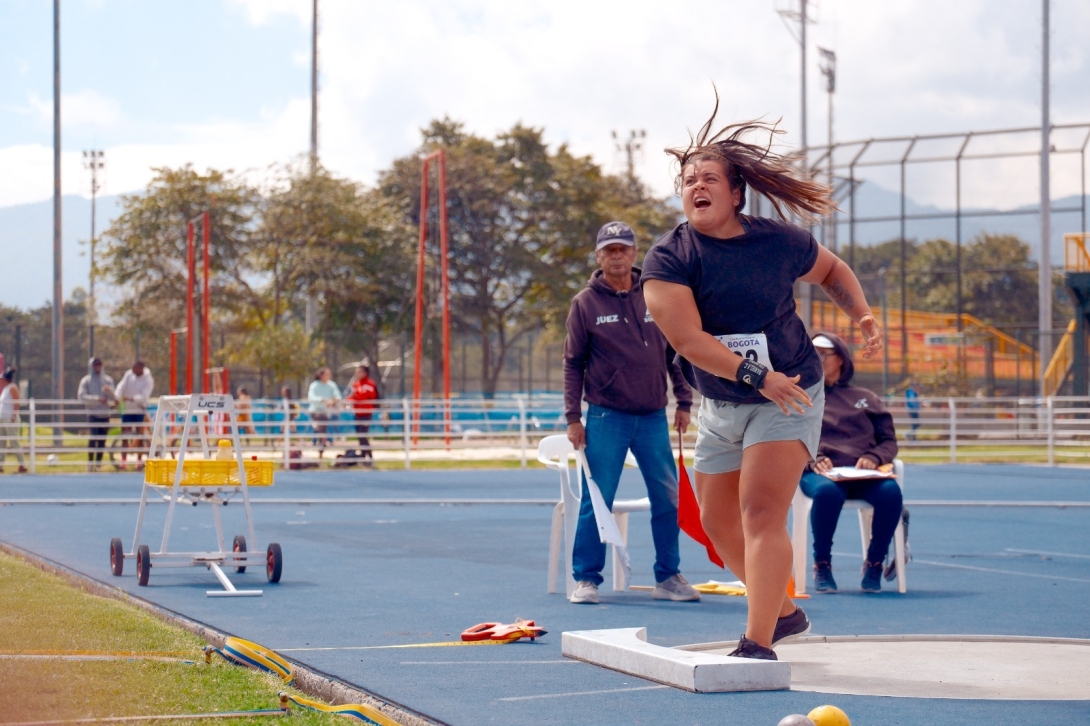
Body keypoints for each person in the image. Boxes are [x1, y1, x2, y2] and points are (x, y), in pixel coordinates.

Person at [641, 104, 882, 660]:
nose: (695, 187)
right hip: (724, 401)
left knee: (760, 512)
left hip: (791, 392)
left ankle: (757, 641)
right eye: (688, 181)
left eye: (708, 180)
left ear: (734, 194)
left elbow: (832, 271)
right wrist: (756, 375)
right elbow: (689, 342)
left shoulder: (778, 241)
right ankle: (785, 613)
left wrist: (862, 313)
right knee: (717, 522)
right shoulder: (669, 259)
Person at [564, 220, 699, 605]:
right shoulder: (585, 304)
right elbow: (573, 363)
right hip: (607, 418)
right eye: (609, 250)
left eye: (623, 248)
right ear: (598, 256)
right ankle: (586, 578)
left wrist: (684, 401)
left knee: (667, 498)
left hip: (654, 417)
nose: (617, 255)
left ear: (634, 253)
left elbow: (676, 351)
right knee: (598, 498)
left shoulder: (656, 295)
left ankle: (668, 576)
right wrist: (574, 418)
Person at [801, 332, 902, 593]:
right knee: (826, 493)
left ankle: (874, 564)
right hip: (819, 473)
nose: (817, 358)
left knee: (891, 493)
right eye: (813, 353)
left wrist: (874, 457)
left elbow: (889, 442)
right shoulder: (800, 396)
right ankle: (821, 565)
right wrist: (814, 458)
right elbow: (787, 437)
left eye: (824, 354)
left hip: (863, 475)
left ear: (842, 359)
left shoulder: (867, 398)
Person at [77, 357, 116, 472]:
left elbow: (114, 398)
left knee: (102, 440)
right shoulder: (86, 381)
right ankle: (90, 463)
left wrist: (109, 391)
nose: (98, 367)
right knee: (94, 437)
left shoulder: (108, 380)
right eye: (95, 365)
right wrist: (96, 399)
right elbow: (81, 396)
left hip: (105, 414)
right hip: (92, 413)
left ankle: (98, 464)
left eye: (99, 365)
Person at [115, 360, 154, 470]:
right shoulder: (129, 374)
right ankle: (123, 461)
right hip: (127, 410)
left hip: (139, 411)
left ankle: (139, 461)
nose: (133, 370)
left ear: (141, 368)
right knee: (124, 436)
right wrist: (117, 397)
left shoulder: (148, 380)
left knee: (140, 437)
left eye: (135, 368)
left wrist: (131, 399)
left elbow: (144, 396)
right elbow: (120, 387)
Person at [345, 363, 380, 467]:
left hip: (366, 413)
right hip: (358, 413)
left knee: (363, 435)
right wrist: (347, 400)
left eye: (359, 371)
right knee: (360, 436)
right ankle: (363, 457)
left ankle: (369, 457)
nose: (357, 373)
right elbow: (353, 396)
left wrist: (355, 398)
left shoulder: (369, 384)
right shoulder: (356, 384)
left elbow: (365, 396)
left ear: (365, 373)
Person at [307, 368, 342, 459]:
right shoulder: (314, 385)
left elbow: (338, 396)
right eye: (327, 374)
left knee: (323, 426)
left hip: (326, 413)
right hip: (315, 411)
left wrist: (331, 402)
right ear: (321, 375)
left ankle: (321, 445)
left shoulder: (331, 385)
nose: (329, 376)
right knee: (321, 420)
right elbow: (311, 398)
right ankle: (323, 438)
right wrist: (322, 400)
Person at [0, 369, 27, 474]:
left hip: (9, 419)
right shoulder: (5, 389)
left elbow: (16, 402)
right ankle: (0, 465)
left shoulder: (12, 387)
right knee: (1, 443)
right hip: (2, 419)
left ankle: (22, 465)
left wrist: (13, 415)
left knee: (14, 442)